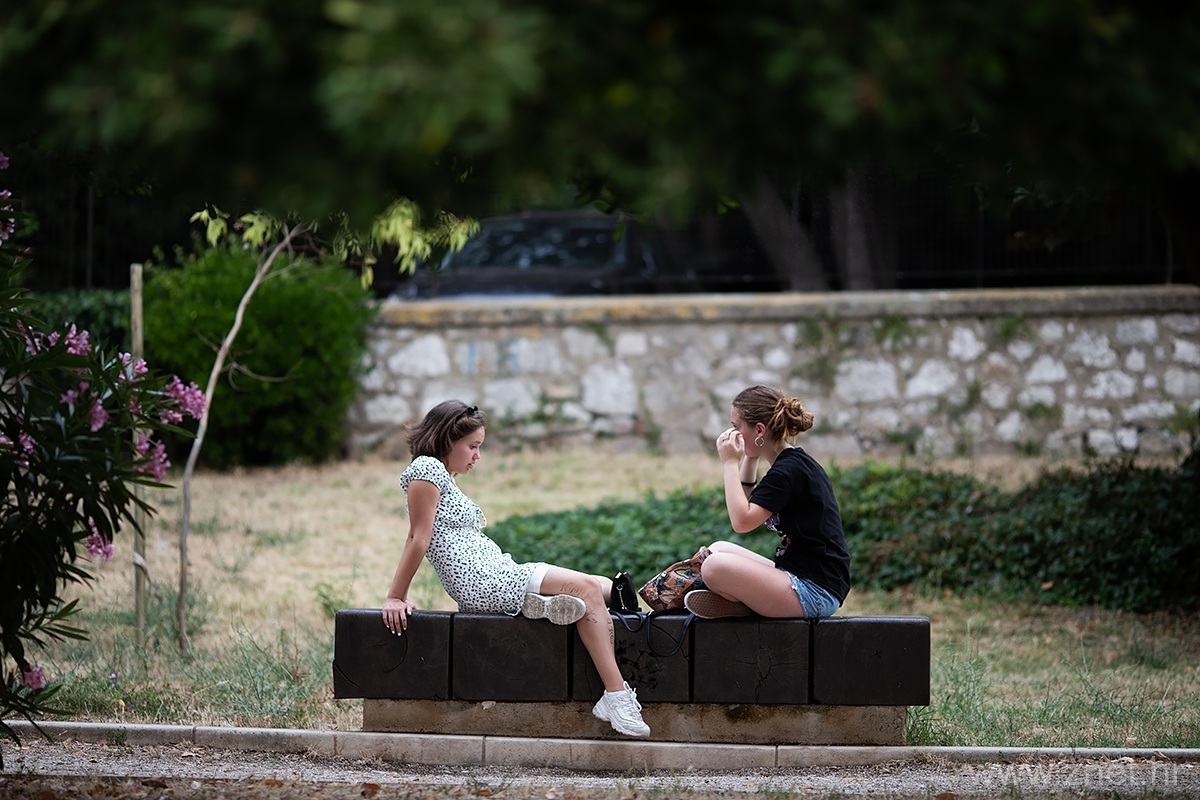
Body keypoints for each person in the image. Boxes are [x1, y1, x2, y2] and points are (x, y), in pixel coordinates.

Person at [380, 400, 650, 738]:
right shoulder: (427, 469)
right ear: (449, 439)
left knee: (607, 587)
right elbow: (418, 538)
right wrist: (395, 596)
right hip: (484, 581)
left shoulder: (441, 475)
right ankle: (616, 696)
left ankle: (542, 608)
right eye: (473, 446)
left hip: (497, 572)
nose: (477, 456)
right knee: (588, 589)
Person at [684, 384, 851, 620]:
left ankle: (747, 606)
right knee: (717, 549)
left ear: (759, 430)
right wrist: (750, 458)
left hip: (814, 591)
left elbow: (741, 522)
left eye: (736, 427)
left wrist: (730, 463)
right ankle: (750, 604)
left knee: (714, 566)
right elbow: (747, 503)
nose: (732, 433)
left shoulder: (786, 472)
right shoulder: (790, 464)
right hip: (798, 575)